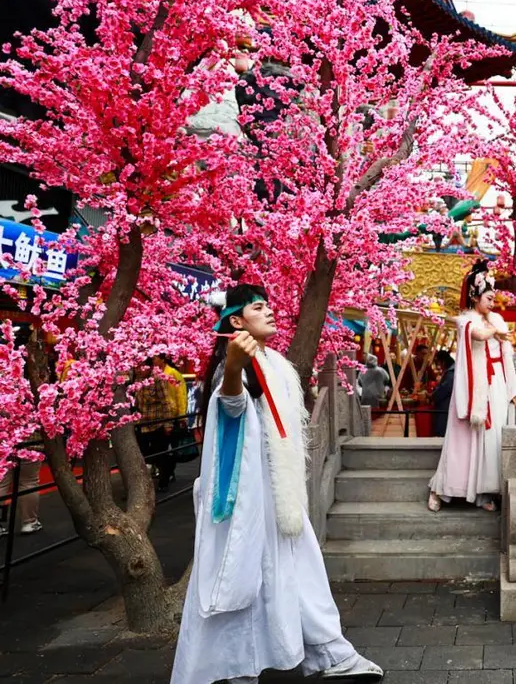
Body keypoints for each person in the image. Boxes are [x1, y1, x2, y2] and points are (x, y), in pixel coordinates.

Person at [171, 284, 382, 684]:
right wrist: (233, 368)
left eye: (268, 305)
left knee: (301, 571)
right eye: (257, 307)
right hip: (247, 499)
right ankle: (234, 668)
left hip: (280, 495)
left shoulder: (276, 364)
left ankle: (330, 655)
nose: (269, 312)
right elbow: (230, 405)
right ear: (236, 321)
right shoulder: (234, 365)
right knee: (243, 577)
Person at [427, 261, 516, 512]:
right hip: (472, 389)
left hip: (496, 384)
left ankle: (483, 493)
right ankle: (440, 488)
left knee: (492, 439)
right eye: (489, 298)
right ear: (475, 297)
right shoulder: (465, 321)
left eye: (493, 298)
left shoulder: (498, 320)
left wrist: (513, 389)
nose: (493, 303)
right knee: (463, 440)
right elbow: (477, 335)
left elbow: (507, 359)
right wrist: (494, 332)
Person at [135, 357, 179, 492]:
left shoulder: (158, 379)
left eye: (141, 367)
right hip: (142, 424)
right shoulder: (137, 380)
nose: (138, 370)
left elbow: (166, 402)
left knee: (159, 454)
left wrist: (168, 424)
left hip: (157, 423)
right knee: (144, 454)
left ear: (149, 366)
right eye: (137, 367)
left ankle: (164, 480)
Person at [0, 453, 42, 536]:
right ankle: (30, 522)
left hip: (3, 446)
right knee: (28, 482)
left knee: (1, 484)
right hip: (29, 447)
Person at [429, 350, 455, 438]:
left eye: (439, 363)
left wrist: (432, 396)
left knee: (442, 430)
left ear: (443, 362)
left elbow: (445, 389)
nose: (439, 366)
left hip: (446, 406)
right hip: (446, 406)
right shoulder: (452, 370)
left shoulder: (452, 372)